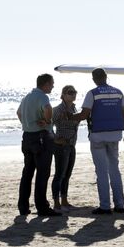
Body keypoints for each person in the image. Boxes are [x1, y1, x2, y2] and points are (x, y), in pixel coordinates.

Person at [72, 68, 124, 214]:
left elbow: (84, 114)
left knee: (102, 172)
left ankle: (105, 206)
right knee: (115, 169)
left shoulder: (92, 93)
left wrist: (68, 116)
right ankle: (120, 204)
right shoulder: (118, 92)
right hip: (115, 134)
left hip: (98, 135)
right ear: (106, 77)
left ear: (94, 79)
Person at [16, 74, 62, 216]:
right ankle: (42, 207)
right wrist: (47, 121)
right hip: (40, 137)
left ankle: (23, 207)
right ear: (46, 84)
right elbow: (48, 109)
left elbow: (18, 112)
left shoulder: (27, 97)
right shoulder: (42, 96)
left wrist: (27, 123)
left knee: (27, 173)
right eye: (52, 84)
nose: (53, 86)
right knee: (42, 173)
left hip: (27, 137)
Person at [51, 85, 80, 213]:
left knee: (67, 175)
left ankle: (64, 201)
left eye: (74, 92)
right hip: (61, 146)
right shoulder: (57, 109)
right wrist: (55, 139)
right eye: (70, 92)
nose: (73, 94)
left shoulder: (74, 108)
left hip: (72, 145)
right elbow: (47, 125)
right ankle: (56, 203)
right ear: (63, 95)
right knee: (59, 174)